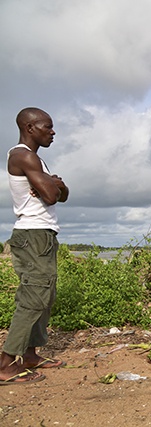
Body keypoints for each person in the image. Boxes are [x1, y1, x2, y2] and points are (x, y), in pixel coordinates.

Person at [0, 107, 69, 385]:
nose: (53, 132)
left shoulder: (36, 160)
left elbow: (61, 194)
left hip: (43, 233)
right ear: (30, 128)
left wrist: (53, 184)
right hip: (32, 234)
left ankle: (30, 354)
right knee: (33, 297)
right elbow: (53, 196)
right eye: (47, 127)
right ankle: (5, 364)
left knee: (45, 294)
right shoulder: (23, 156)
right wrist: (53, 185)